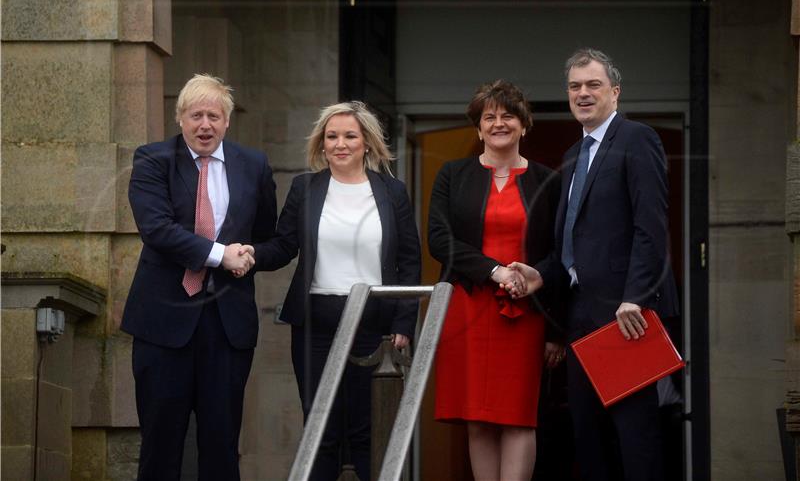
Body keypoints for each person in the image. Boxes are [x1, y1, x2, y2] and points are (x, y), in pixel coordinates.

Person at [505, 48, 680, 481]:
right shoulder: (573, 155)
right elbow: (571, 241)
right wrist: (541, 274)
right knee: (588, 437)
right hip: (581, 314)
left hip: (627, 316)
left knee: (635, 439)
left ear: (615, 92)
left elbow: (650, 228)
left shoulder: (637, 139)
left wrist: (635, 298)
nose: (583, 94)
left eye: (593, 85)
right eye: (575, 86)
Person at [121, 74, 277, 480]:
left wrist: (248, 255)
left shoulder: (254, 165)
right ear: (180, 119)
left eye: (214, 115)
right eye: (196, 116)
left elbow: (265, 234)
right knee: (160, 445)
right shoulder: (152, 160)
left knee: (222, 446)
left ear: (227, 122)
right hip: (163, 325)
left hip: (227, 328)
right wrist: (221, 255)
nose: (204, 124)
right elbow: (157, 230)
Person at [257, 101, 421, 481]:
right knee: (320, 430)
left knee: (365, 430)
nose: (340, 144)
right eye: (332, 136)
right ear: (321, 142)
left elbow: (409, 261)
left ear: (366, 143)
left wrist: (405, 320)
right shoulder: (304, 188)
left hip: (372, 322)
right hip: (315, 324)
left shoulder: (392, 191)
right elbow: (284, 245)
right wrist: (248, 254)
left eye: (350, 136)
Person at [428, 80, 565, 481]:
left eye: (508, 115)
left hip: (527, 313)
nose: (498, 123)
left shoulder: (549, 181)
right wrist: (495, 270)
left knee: (518, 416)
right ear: (478, 127)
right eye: (489, 117)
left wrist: (557, 327)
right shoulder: (452, 175)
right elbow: (439, 240)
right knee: (478, 418)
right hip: (467, 307)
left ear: (524, 125)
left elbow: (562, 254)